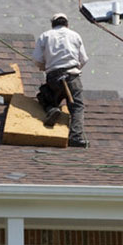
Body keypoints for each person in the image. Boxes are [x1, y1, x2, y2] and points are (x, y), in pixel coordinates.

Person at [32, 12, 90, 147]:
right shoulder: (75, 35)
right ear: (67, 24)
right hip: (72, 75)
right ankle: (75, 137)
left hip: (54, 77)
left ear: (53, 24)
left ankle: (51, 109)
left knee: (45, 97)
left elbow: (36, 59)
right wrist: (75, 67)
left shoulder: (45, 36)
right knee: (77, 106)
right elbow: (84, 59)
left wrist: (44, 67)